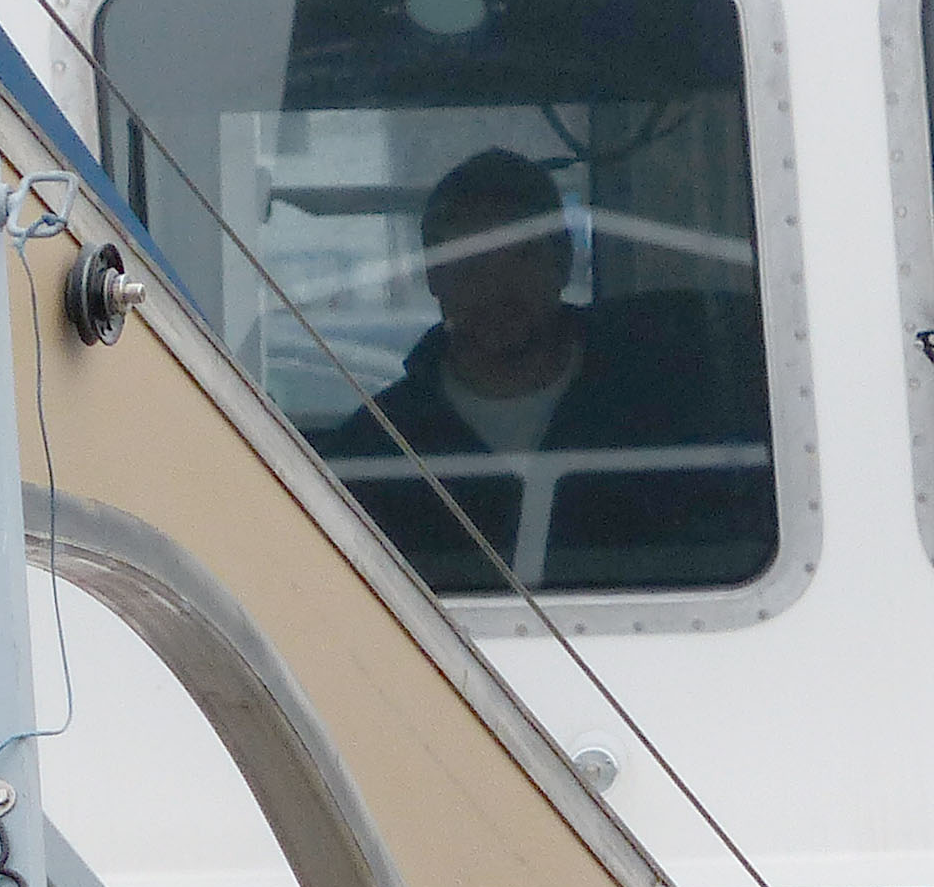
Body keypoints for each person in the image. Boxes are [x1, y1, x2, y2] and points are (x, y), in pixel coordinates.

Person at [319, 146, 762, 580]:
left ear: (563, 261)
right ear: (434, 277)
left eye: (523, 257)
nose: (497, 289)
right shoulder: (376, 446)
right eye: (470, 265)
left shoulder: (664, 417)